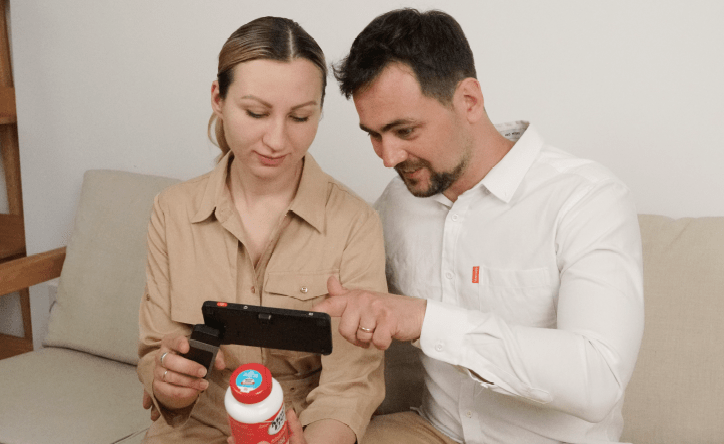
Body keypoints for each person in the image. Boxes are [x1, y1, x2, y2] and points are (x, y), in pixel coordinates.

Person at [314, 8, 644, 444]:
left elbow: (598, 377)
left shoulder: (586, 199)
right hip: (431, 430)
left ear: (468, 100)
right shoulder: (397, 204)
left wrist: (426, 320)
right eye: (373, 134)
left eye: (405, 130)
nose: (387, 157)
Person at [137, 16, 386, 444]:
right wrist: (166, 380)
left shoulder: (355, 223)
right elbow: (153, 352)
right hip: (196, 431)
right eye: (256, 112)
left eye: (300, 117)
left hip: (304, 431)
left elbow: (350, 387)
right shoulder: (172, 211)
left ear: (320, 112)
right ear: (218, 98)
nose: (277, 139)